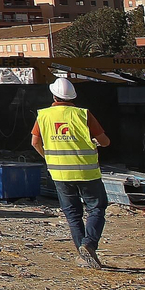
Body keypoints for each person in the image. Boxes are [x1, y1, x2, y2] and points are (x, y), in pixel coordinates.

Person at [32, 77, 111, 268]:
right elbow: (105, 141)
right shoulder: (82, 114)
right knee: (96, 208)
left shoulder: (43, 116)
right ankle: (89, 245)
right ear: (73, 97)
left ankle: (84, 255)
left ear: (53, 95)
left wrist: (49, 158)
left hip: (60, 173)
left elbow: (35, 142)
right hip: (87, 172)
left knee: (73, 214)